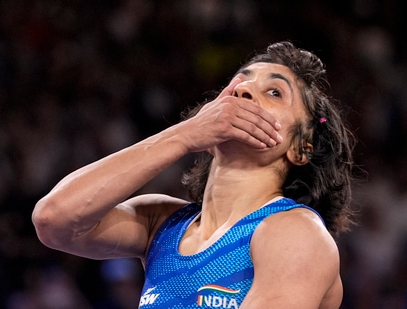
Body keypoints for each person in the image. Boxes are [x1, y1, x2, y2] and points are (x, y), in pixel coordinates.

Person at [32, 41, 356, 309]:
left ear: (300, 147)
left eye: (274, 93)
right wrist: (183, 136)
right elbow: (54, 218)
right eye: (239, 84)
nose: (242, 93)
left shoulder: (295, 232)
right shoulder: (162, 224)